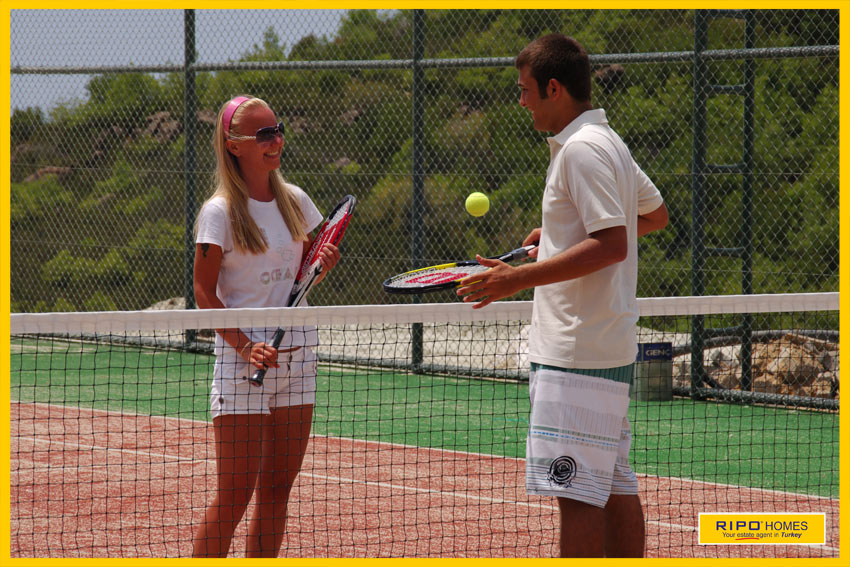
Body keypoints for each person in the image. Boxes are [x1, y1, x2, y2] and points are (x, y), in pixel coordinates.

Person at [457, 34, 668, 558]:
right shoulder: (608, 141)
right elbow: (653, 215)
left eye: (525, 90)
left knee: (575, 497)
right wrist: (556, 240)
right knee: (615, 484)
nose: (521, 101)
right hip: (604, 348)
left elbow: (613, 244)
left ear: (554, 88)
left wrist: (517, 278)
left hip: (573, 355)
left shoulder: (580, 150)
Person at [191, 95, 340, 558]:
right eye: (263, 134)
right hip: (243, 369)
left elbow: (305, 272)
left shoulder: (295, 200)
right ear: (234, 145)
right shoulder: (219, 212)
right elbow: (203, 292)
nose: (276, 141)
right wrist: (245, 347)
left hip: (298, 361)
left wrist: (324, 264)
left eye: (278, 130)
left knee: (277, 489)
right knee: (235, 495)